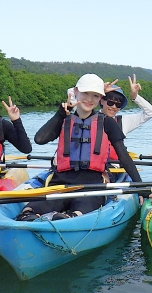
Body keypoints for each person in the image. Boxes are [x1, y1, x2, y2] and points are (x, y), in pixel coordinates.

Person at [16, 74, 142, 221]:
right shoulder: (64, 119)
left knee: (83, 207)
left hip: (92, 184)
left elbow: (124, 157)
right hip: (61, 183)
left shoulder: (107, 122)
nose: (90, 99)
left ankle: (70, 217)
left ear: (100, 98)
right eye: (86, 93)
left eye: (95, 95)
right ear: (75, 92)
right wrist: (60, 114)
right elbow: (40, 139)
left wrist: (140, 188)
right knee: (32, 210)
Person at [99, 75, 152, 180]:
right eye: (110, 102)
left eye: (118, 104)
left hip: (116, 169)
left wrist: (135, 97)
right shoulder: (90, 118)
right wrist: (98, 91)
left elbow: (150, 113)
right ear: (102, 101)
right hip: (96, 170)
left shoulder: (123, 121)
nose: (114, 107)